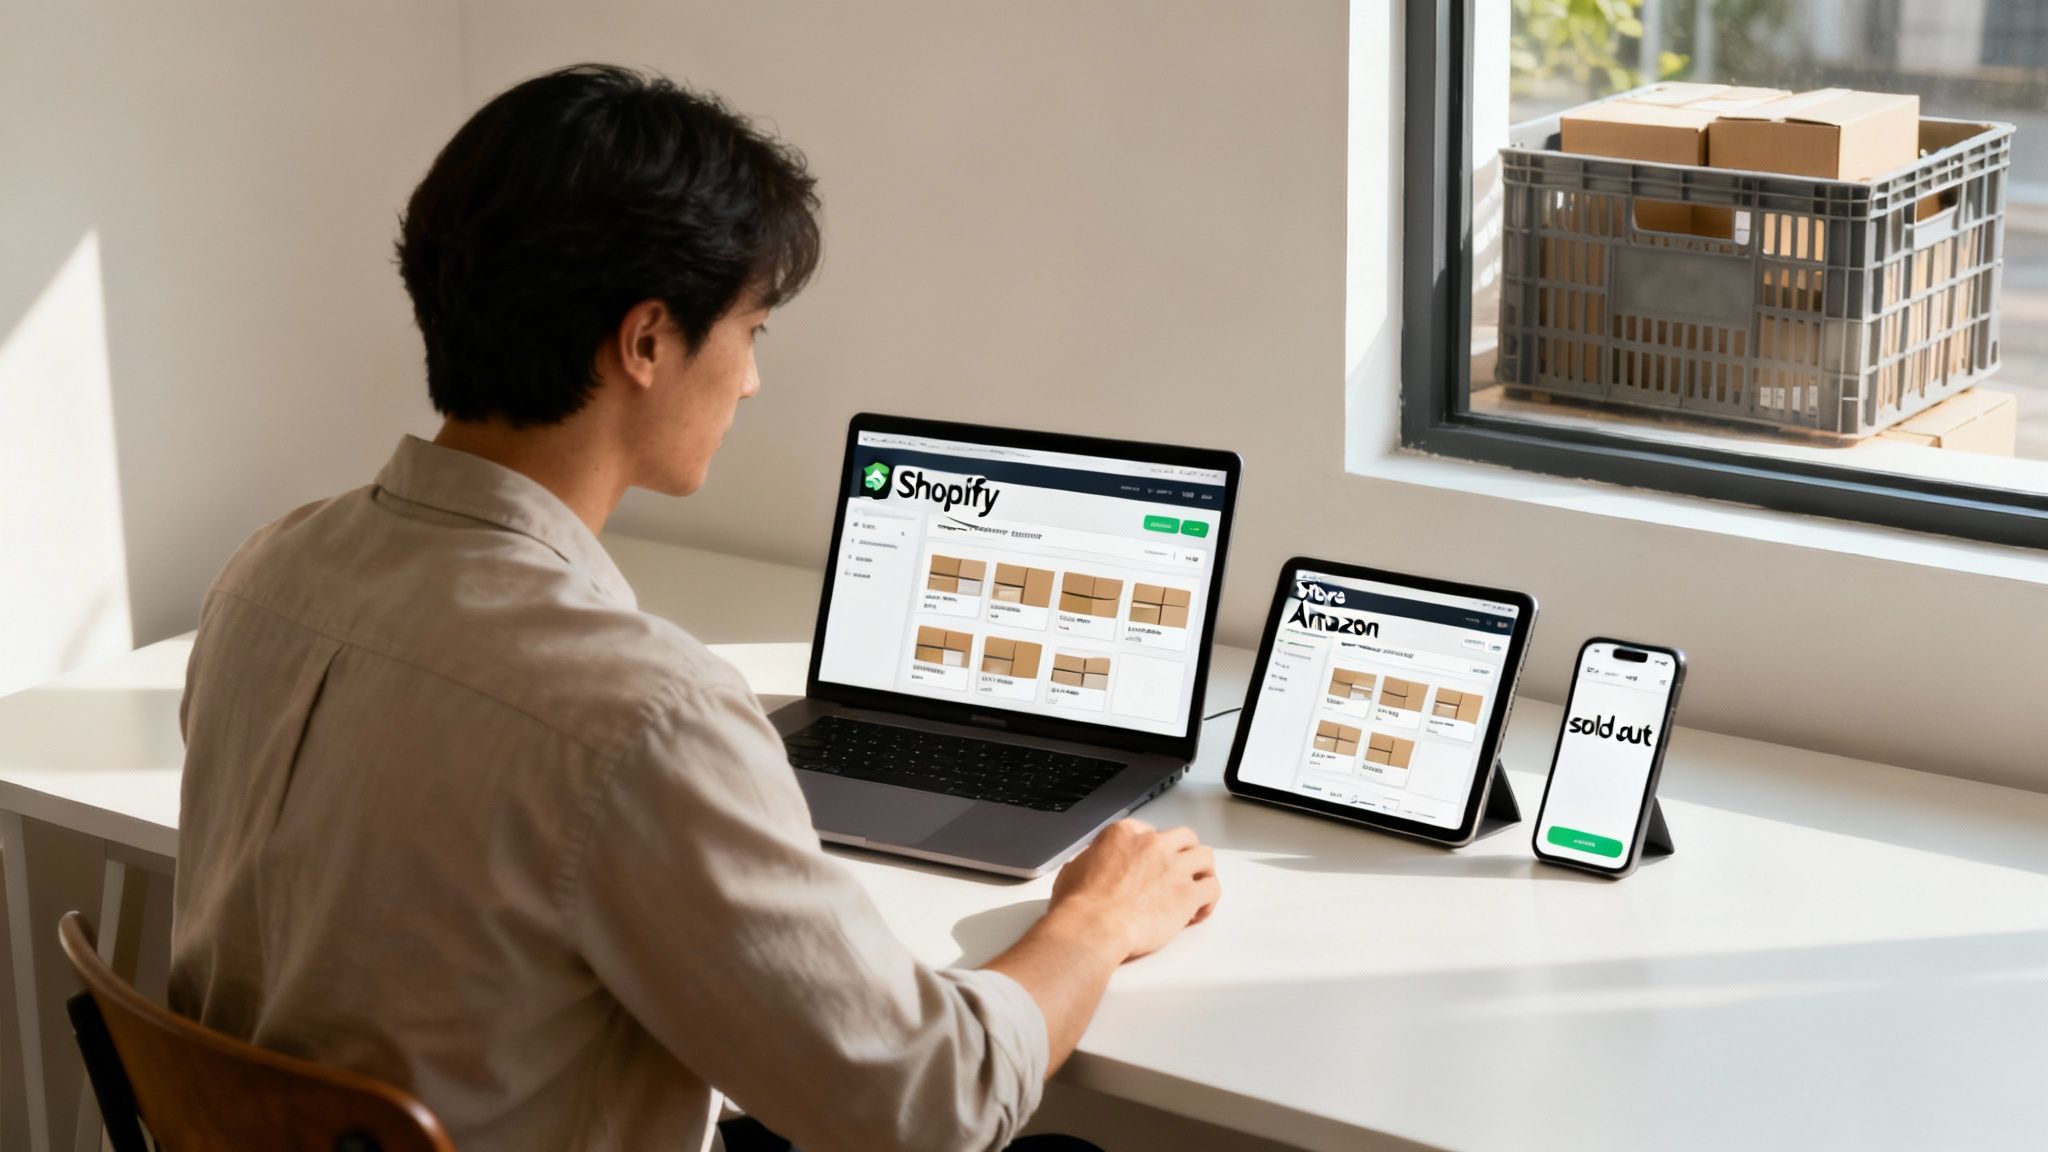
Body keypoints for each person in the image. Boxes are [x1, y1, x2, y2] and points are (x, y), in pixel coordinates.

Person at [170, 63, 1220, 1152]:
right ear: (646, 341)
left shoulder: (268, 575)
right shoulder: (641, 716)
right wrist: (1093, 924)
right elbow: (928, 1105)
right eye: (752, 329)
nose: (754, 380)